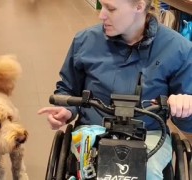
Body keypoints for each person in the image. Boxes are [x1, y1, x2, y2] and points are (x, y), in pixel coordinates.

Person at [37, 0, 192, 179]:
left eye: (110, 8)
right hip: (92, 132)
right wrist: (67, 110)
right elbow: (68, 89)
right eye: (102, 6)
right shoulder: (85, 41)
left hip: (148, 136)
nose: (101, 15)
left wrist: (184, 108)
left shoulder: (178, 49)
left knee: (145, 171)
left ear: (139, 6)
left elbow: (187, 123)